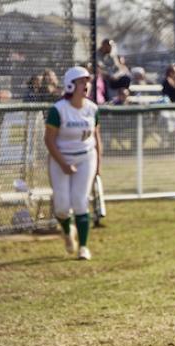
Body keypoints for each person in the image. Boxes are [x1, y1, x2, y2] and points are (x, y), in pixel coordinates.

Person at [43, 67, 102, 261]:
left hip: (86, 157)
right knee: (61, 206)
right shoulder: (58, 110)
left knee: (79, 200)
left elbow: (96, 137)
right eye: (81, 82)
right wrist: (63, 164)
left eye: (87, 81)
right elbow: (49, 140)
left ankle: (83, 247)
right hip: (61, 157)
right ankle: (68, 231)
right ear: (70, 85)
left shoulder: (92, 108)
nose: (86, 85)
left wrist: (99, 166)